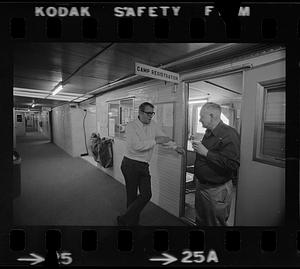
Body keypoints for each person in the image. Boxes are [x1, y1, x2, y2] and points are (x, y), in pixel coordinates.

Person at [117, 102, 184, 226]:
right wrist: (155, 141)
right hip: (130, 164)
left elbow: (162, 138)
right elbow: (136, 146)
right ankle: (132, 223)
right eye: (148, 113)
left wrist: (175, 147)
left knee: (147, 194)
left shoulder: (153, 124)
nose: (150, 116)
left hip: (143, 165)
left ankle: (125, 219)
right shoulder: (131, 126)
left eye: (152, 113)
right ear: (140, 113)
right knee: (131, 195)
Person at [192, 102, 240, 226]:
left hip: (217, 190)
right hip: (202, 186)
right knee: (201, 220)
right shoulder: (208, 132)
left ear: (212, 116)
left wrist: (206, 153)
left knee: (215, 223)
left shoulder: (229, 134)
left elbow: (233, 164)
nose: (199, 119)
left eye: (202, 116)